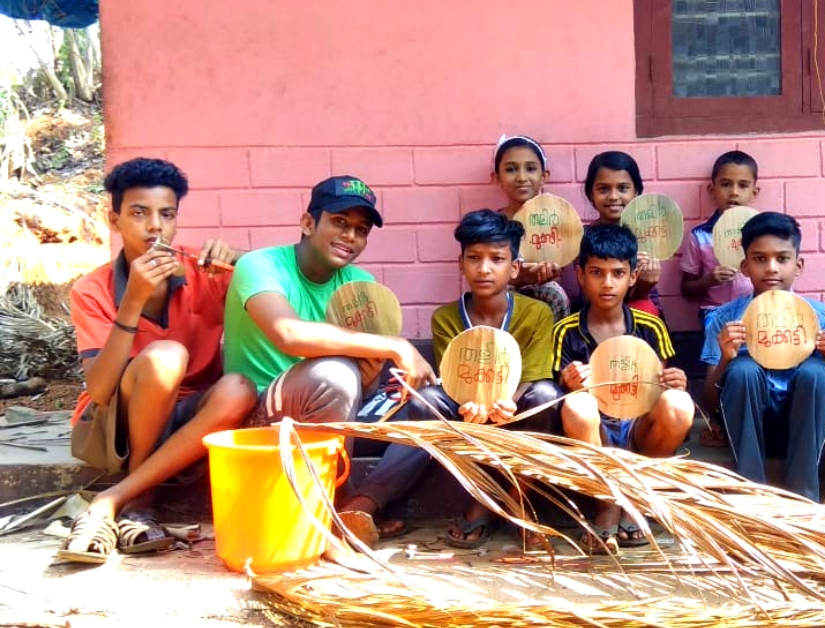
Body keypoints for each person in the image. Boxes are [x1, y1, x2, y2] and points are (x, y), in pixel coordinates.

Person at [60, 158, 256, 563]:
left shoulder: (206, 274)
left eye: (166, 215)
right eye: (138, 213)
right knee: (166, 357)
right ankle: (140, 498)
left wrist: (248, 263)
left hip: (189, 416)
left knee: (239, 387)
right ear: (114, 221)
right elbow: (99, 390)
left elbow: (282, 289)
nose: (155, 227)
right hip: (114, 424)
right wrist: (130, 302)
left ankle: (115, 499)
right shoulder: (91, 290)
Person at [223, 175, 434, 542]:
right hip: (261, 415)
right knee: (335, 374)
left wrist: (370, 373)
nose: (350, 236)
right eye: (339, 222)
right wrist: (394, 345)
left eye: (361, 229)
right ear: (308, 223)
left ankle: (359, 504)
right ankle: (326, 516)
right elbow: (288, 334)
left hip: (329, 410)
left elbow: (358, 386)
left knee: (433, 406)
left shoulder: (360, 286)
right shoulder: (259, 265)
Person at [364, 209, 561, 549]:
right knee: (426, 400)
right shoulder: (445, 318)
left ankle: (517, 501)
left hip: (518, 408)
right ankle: (481, 492)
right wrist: (471, 403)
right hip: (467, 409)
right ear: (461, 264)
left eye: (497, 259)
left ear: (514, 268)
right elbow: (455, 379)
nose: (484, 269)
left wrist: (507, 403)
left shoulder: (536, 313)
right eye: (474, 258)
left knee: (546, 395)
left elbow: (534, 377)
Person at [553, 223, 694, 553]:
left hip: (639, 430)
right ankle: (605, 502)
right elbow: (555, 394)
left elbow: (661, 381)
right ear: (580, 275)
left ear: (633, 277)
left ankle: (636, 498)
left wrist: (676, 383)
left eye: (618, 273)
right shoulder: (565, 332)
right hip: (596, 434)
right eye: (597, 272)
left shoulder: (649, 325)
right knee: (576, 405)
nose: (607, 283)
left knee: (679, 403)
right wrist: (567, 381)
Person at [699, 212, 825, 500]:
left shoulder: (821, 317)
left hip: (804, 430)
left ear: (798, 265)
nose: (771, 268)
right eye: (760, 259)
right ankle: (750, 495)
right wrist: (727, 359)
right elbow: (709, 402)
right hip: (748, 429)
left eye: (782, 258)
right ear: (744, 265)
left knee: (815, 372)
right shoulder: (724, 320)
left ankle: (803, 498)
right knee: (742, 370)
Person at [567, 150, 661, 316]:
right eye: (603, 189)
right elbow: (589, 298)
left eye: (623, 188)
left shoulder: (647, 234)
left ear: (636, 192)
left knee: (644, 309)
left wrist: (644, 285)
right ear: (591, 194)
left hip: (642, 309)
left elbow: (644, 300)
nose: (613, 196)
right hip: (597, 311)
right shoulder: (583, 238)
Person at [492, 135, 570, 321]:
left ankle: (554, 348)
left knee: (555, 293)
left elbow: (559, 268)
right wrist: (517, 277)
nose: (521, 177)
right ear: (497, 178)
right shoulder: (493, 224)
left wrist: (548, 272)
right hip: (503, 290)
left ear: (544, 177)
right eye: (511, 169)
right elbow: (488, 270)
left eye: (531, 169)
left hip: (544, 290)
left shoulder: (556, 220)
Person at [680, 150, 758, 327]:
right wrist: (709, 280)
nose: (734, 192)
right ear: (712, 190)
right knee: (719, 340)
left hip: (758, 309)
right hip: (716, 310)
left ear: (754, 192)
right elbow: (686, 290)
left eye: (743, 185)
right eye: (725, 184)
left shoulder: (764, 234)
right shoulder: (700, 236)